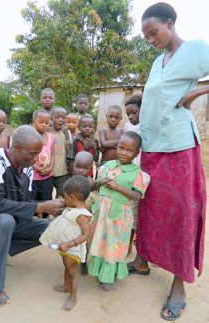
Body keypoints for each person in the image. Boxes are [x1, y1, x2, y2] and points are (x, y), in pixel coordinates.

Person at [127, 2, 209, 321]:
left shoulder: (195, 50)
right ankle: (143, 260)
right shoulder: (158, 61)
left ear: (170, 23)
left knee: (180, 213)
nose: (151, 40)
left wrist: (195, 95)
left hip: (179, 147)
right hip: (152, 148)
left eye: (154, 32)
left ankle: (179, 284)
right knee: (149, 207)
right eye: (146, 36)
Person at [0, 125, 65, 307]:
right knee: (4, 220)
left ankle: (1, 247)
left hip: (8, 224)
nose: (36, 158)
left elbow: (26, 205)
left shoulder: (28, 169)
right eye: (32, 153)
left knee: (51, 228)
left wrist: (51, 208)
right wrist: (41, 206)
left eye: (38, 153)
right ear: (16, 148)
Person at [88, 132, 150, 291]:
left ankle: (109, 276)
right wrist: (100, 182)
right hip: (101, 213)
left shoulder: (137, 173)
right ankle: (98, 269)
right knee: (100, 242)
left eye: (129, 150)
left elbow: (137, 195)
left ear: (137, 153)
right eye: (121, 148)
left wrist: (118, 187)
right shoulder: (106, 167)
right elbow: (94, 186)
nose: (123, 152)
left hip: (119, 218)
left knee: (113, 245)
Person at [39, 175, 92, 311]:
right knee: (66, 267)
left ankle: (73, 297)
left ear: (73, 197)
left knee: (73, 272)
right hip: (65, 246)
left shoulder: (81, 215)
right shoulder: (72, 207)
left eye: (66, 196)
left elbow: (86, 235)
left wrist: (69, 244)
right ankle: (66, 286)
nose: (64, 199)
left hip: (71, 248)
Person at [72, 151, 99, 275]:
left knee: (85, 241)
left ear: (90, 168)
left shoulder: (92, 183)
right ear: (73, 165)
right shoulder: (71, 181)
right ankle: (72, 261)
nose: (81, 171)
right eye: (78, 167)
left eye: (85, 168)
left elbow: (94, 201)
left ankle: (83, 262)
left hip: (86, 219)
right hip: (73, 219)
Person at [124, 95, 142, 253]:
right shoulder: (127, 126)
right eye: (128, 113)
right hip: (130, 173)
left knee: (140, 212)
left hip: (143, 174)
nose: (130, 116)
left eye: (134, 112)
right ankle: (128, 244)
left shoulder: (147, 126)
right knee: (130, 210)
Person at [32, 109, 55, 218]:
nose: (44, 125)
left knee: (46, 199)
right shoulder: (30, 138)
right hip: (33, 177)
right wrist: (35, 167)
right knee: (32, 200)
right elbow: (27, 155)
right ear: (33, 122)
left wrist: (50, 167)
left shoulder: (51, 137)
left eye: (46, 123)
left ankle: (44, 221)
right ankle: (33, 220)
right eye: (40, 122)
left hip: (47, 177)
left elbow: (53, 154)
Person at [50, 107, 72, 197]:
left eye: (63, 118)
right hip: (48, 172)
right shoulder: (47, 132)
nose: (60, 120)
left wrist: (66, 134)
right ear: (51, 118)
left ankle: (59, 211)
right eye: (57, 117)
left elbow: (69, 151)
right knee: (47, 195)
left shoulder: (67, 133)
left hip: (62, 172)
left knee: (62, 195)